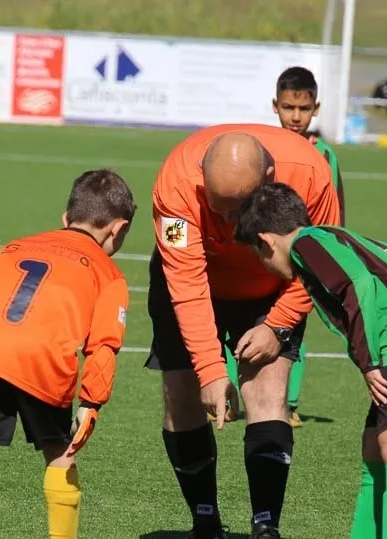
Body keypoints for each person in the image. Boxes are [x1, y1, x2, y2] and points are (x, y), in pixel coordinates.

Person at [146, 124, 341, 539]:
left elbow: (320, 260)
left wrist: (278, 323)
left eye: (239, 211)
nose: (229, 224)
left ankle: (266, 527)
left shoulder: (311, 174)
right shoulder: (175, 185)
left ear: (269, 179)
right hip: (193, 283)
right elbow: (187, 285)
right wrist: (210, 370)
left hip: (271, 288)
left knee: (268, 392)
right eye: (217, 208)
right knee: (182, 394)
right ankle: (205, 523)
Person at [234, 183, 387, 539]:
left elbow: (358, 284)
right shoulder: (330, 237)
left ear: (266, 241)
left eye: (257, 255)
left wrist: (369, 362)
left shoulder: (307, 243)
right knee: (374, 447)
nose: (264, 265)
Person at [0, 169, 136, 539]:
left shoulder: (16, 245)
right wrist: (92, 403)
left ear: (65, 218)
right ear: (118, 230)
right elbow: (104, 345)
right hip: (40, 356)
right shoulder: (109, 274)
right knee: (61, 452)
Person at [220, 66, 347, 428]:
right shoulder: (264, 149)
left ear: (316, 109)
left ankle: (288, 402)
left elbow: (334, 208)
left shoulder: (324, 155)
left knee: (292, 325)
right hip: (263, 255)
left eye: (303, 109)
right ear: (275, 106)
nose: (295, 116)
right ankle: (229, 395)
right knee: (239, 323)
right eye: (289, 107)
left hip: (300, 260)